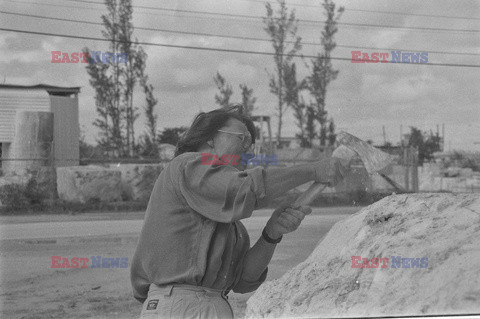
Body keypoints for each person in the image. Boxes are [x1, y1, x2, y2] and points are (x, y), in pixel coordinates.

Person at [130, 105, 347, 319]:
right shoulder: (187, 164)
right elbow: (243, 189)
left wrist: (271, 234)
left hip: (204, 303)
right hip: (182, 306)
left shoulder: (223, 217)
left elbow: (244, 280)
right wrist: (313, 170)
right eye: (241, 139)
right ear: (209, 138)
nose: (249, 153)